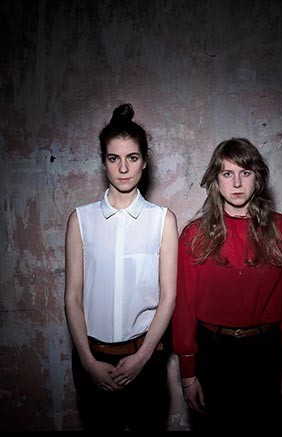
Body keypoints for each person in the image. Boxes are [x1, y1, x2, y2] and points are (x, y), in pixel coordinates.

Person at [172, 138, 282, 431]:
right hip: (213, 354)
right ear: (215, 180)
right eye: (227, 173)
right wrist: (188, 373)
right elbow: (184, 307)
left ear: (257, 178)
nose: (236, 183)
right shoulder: (193, 235)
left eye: (245, 172)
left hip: (266, 352)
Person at [64, 103, 178, 431]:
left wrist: (142, 359)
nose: (124, 168)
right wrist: (88, 362)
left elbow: (169, 297)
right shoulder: (80, 220)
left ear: (144, 162)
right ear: (103, 162)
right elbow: (73, 297)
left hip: (146, 360)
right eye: (114, 158)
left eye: (132, 157)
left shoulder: (162, 220)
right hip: (93, 361)